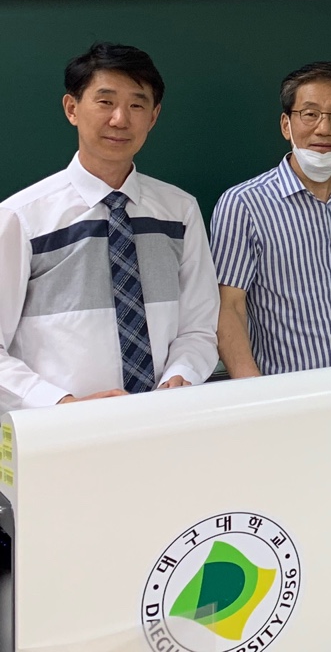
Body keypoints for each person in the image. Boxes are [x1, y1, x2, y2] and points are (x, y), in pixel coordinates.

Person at [0, 43, 219, 410]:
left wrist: (182, 374)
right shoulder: (22, 217)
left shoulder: (179, 211)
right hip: (60, 428)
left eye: (137, 105)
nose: (120, 119)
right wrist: (60, 403)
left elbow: (198, 326)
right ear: (72, 108)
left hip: (165, 416)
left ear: (154, 116)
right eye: (105, 102)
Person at [211, 61, 331, 378]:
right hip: (289, 392)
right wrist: (256, 393)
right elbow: (229, 308)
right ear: (286, 125)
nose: (324, 128)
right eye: (310, 114)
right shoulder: (243, 203)